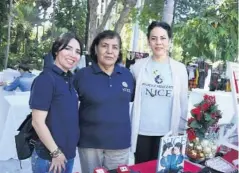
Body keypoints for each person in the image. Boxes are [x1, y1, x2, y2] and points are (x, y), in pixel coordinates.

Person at [73, 30, 135, 173]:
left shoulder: (127, 75)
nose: (109, 51)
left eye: (114, 47)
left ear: (119, 52)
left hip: (120, 144)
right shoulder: (81, 76)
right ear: (96, 48)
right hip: (89, 144)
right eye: (104, 46)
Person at [130, 21, 188, 163]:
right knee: (141, 169)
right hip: (142, 132)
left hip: (167, 133)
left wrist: (181, 131)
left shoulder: (179, 69)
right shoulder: (137, 67)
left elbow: (183, 102)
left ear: (169, 41)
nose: (158, 42)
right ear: (149, 41)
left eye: (163, 38)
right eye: (154, 38)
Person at [29, 32, 82, 173]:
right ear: (57, 50)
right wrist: (56, 152)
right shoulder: (46, 79)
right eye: (68, 48)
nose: (73, 55)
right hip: (50, 158)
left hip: (68, 155)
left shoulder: (70, 79)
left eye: (77, 51)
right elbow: (37, 122)